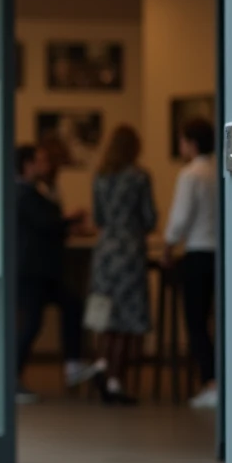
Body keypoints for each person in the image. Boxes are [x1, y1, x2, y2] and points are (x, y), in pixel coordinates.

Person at [15, 144, 99, 403]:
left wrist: (67, 225)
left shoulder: (37, 190)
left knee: (72, 304)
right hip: (31, 270)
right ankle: (11, 379)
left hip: (43, 271)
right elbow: (44, 223)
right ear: (27, 164)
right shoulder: (23, 193)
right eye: (39, 160)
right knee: (32, 323)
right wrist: (69, 219)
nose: (45, 165)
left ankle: (72, 365)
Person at [89, 125, 157, 406]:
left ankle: (102, 364)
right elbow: (149, 218)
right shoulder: (139, 178)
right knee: (126, 319)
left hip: (105, 251)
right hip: (129, 251)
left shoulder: (100, 177)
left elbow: (98, 218)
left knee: (106, 316)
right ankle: (115, 380)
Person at [162, 117, 219, 409]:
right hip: (219, 254)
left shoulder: (190, 174)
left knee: (195, 321)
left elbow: (180, 217)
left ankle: (211, 381)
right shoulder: (216, 171)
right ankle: (219, 379)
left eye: (183, 141)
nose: (181, 146)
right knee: (216, 320)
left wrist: (169, 245)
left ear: (192, 143)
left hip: (197, 253)